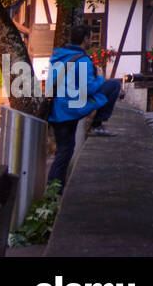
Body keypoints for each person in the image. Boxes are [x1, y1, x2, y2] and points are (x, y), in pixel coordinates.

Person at [47, 22, 121, 191]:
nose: (91, 42)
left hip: (58, 110)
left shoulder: (57, 56)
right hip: (73, 108)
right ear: (86, 39)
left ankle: (53, 191)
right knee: (114, 86)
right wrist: (100, 77)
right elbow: (88, 89)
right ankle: (97, 124)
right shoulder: (83, 60)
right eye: (90, 39)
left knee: (64, 151)